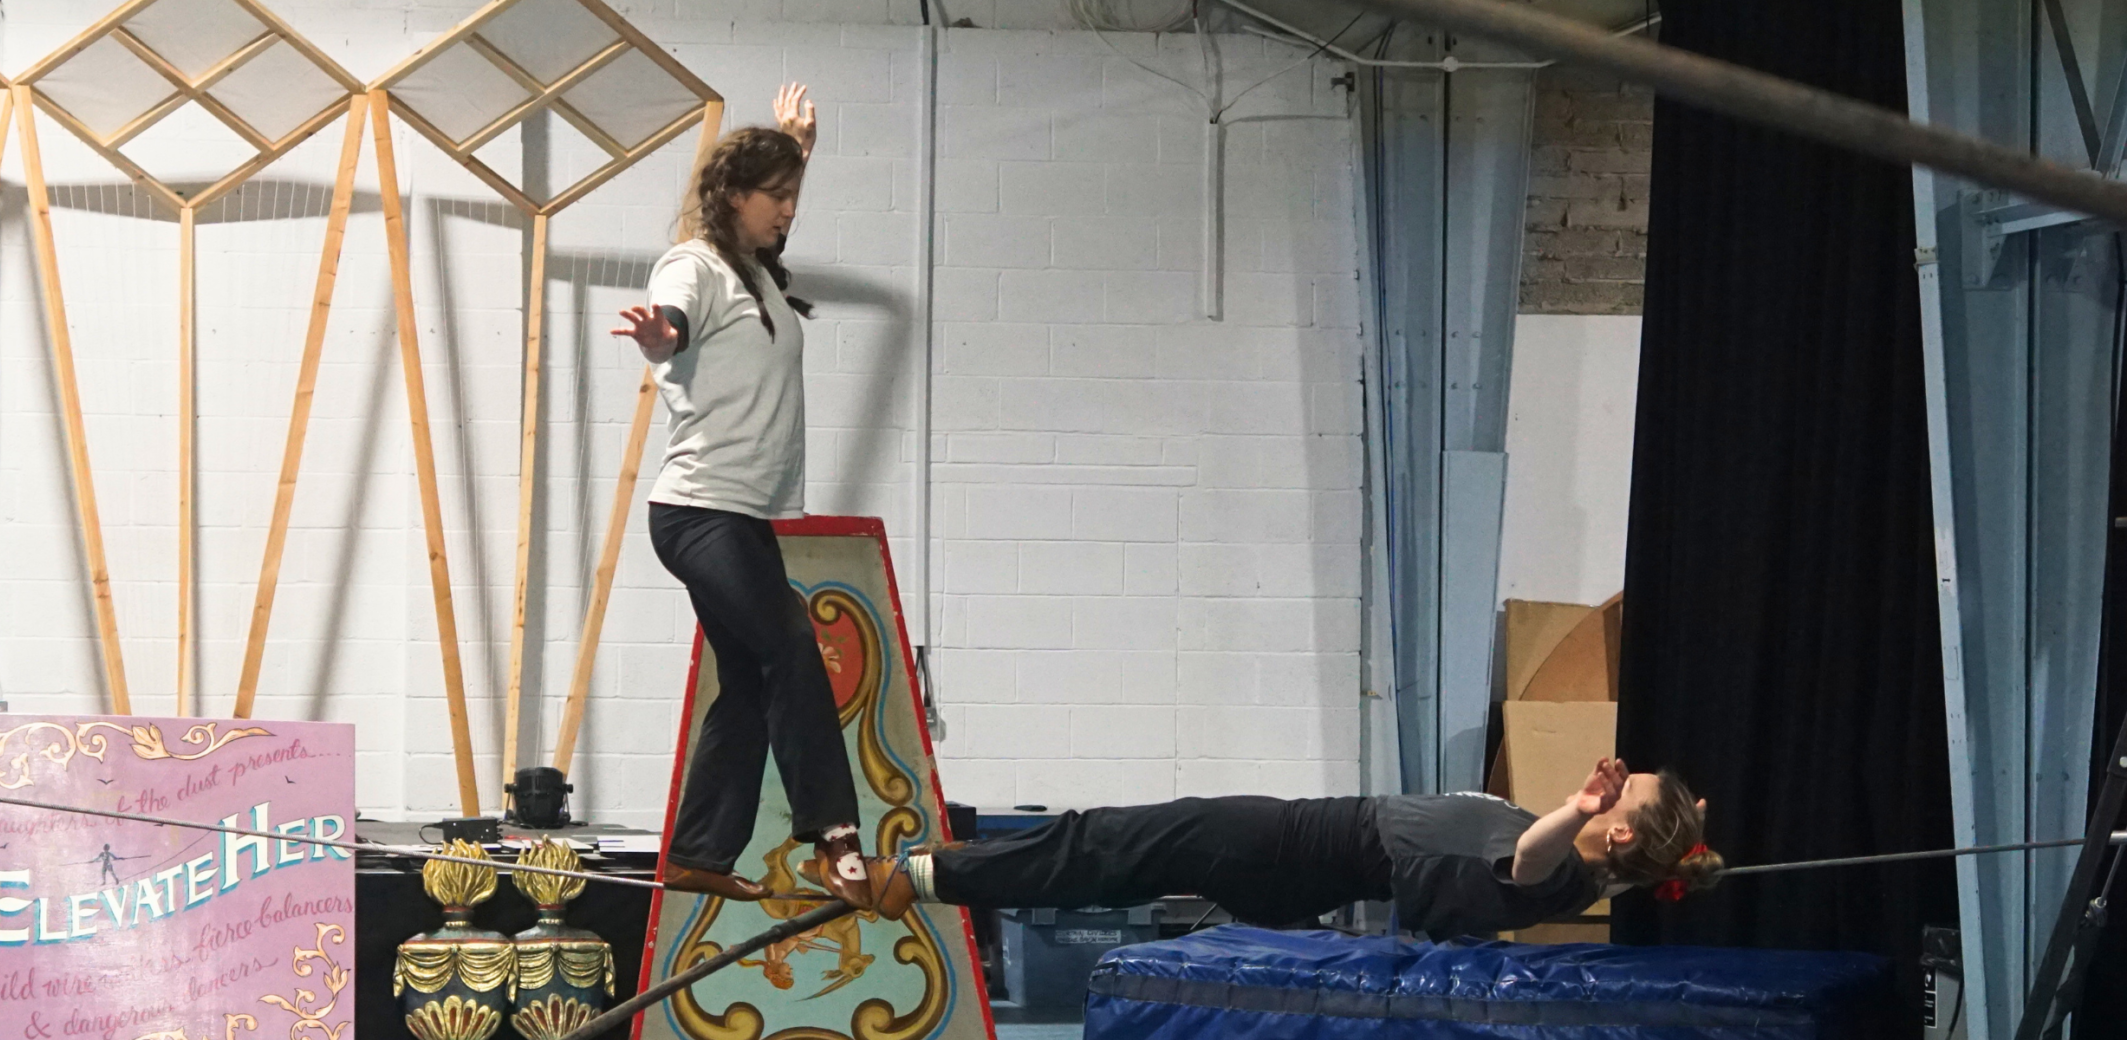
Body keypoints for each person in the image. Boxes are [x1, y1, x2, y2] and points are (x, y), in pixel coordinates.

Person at [614, 84, 879, 911]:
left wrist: (798, 150)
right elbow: (675, 321)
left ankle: (699, 852)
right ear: (733, 197)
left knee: (750, 682)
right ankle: (835, 834)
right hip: (699, 511)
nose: (790, 212)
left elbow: (772, 199)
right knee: (791, 649)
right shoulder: (693, 266)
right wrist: (661, 337)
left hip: (739, 516)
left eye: (795, 196)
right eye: (777, 197)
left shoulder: (754, 271)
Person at [817, 758, 1724, 935]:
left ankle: (920, 878)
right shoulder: (1591, 877)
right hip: (1296, 855)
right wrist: (1678, 841)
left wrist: (1572, 809)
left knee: (1105, 842)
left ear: (1614, 825)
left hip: (1287, 847)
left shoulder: (1556, 865)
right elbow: (1621, 867)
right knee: (1117, 855)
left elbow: (1529, 863)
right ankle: (933, 876)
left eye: (1623, 791)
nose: (1610, 776)